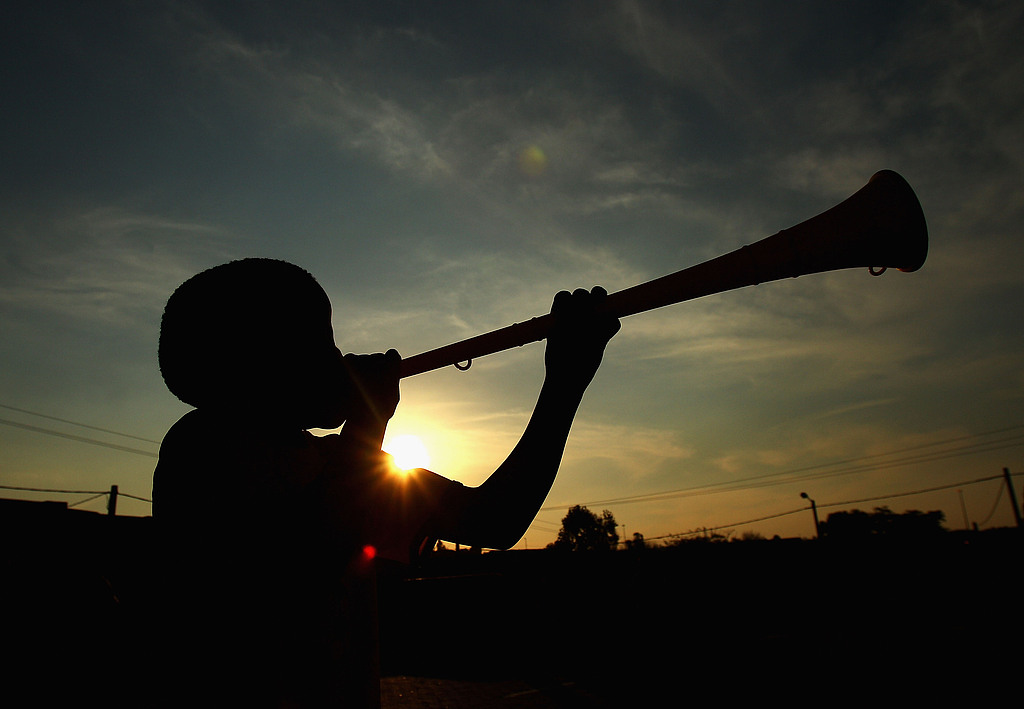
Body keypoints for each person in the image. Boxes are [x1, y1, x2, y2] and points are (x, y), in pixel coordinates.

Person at [151, 258, 619, 707]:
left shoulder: (345, 464)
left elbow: (495, 520)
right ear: (252, 363)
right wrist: (366, 424)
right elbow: (301, 561)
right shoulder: (199, 448)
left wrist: (564, 381)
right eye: (317, 343)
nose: (339, 358)